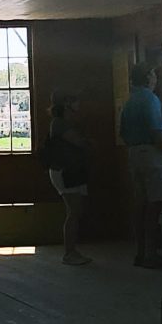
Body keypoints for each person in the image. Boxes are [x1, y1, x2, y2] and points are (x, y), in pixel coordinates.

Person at [119, 64, 162, 270]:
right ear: (148, 77)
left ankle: (141, 251)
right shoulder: (150, 99)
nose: (155, 78)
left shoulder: (130, 101)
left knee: (141, 205)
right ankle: (151, 253)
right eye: (153, 74)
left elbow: (123, 132)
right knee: (156, 204)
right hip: (151, 153)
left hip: (134, 152)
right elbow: (156, 131)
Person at [40, 93, 93, 266]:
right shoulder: (60, 124)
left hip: (70, 171)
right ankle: (69, 252)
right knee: (73, 211)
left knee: (75, 211)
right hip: (65, 172)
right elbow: (79, 142)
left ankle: (72, 251)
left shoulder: (61, 123)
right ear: (67, 103)